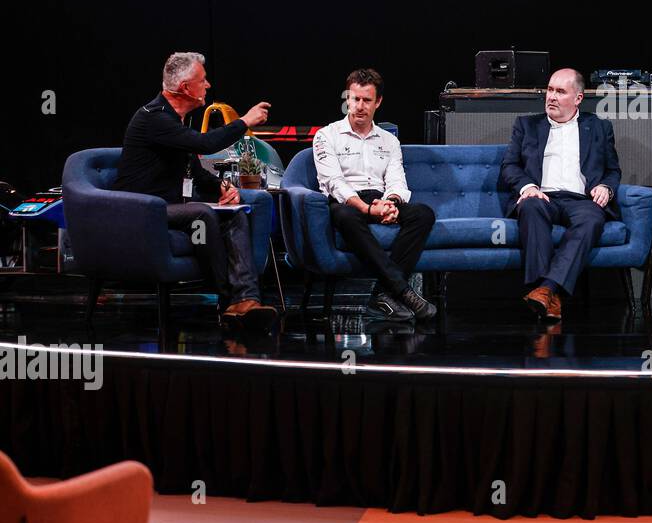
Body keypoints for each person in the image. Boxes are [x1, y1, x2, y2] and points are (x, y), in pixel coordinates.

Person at [113, 52, 277, 332]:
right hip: (143, 207)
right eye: (203, 80)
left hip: (171, 205)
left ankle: (247, 300)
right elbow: (204, 144)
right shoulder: (154, 118)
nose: (208, 85)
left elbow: (193, 169)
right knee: (201, 213)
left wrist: (222, 187)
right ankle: (227, 301)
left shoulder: (177, 119)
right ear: (186, 88)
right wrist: (244, 121)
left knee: (234, 214)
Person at [313, 68, 436, 323]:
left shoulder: (388, 141)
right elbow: (334, 182)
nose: (359, 106)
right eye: (355, 99)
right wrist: (367, 209)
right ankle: (403, 291)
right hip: (346, 203)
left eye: (366, 100)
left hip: (379, 199)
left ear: (377, 102)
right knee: (346, 216)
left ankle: (382, 295)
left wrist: (389, 204)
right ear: (347, 98)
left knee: (423, 214)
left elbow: (396, 181)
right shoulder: (326, 136)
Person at [501, 68, 621, 321]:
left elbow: (612, 170)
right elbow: (509, 166)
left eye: (560, 91)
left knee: (592, 219)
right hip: (542, 197)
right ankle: (549, 294)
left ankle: (545, 291)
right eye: (550, 89)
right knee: (530, 206)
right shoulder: (527, 125)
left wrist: (606, 188)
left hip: (581, 201)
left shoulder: (599, 127)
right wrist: (528, 188)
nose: (551, 97)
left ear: (578, 98)